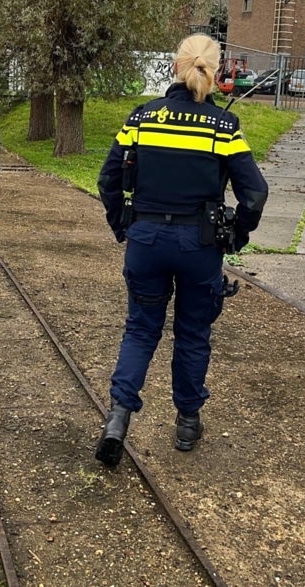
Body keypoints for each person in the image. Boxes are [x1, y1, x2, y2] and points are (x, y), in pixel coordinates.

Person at [94, 34, 269, 466]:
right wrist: (236, 236)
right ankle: (188, 422)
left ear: (176, 67)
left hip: (147, 241)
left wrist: (124, 228)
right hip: (199, 246)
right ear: (216, 72)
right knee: (192, 335)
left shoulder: (142, 118)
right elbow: (255, 193)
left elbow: (107, 180)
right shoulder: (223, 127)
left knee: (140, 329)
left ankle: (117, 418)